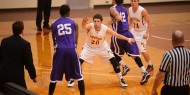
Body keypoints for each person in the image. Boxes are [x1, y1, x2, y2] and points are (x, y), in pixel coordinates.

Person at [68, 14, 134, 88]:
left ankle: (121, 79)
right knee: (79, 62)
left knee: (114, 61)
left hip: (102, 47)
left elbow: (116, 35)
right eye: (95, 21)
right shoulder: (90, 26)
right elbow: (83, 27)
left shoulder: (105, 28)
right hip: (89, 47)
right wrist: (83, 22)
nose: (96, 23)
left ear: (101, 22)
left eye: (98, 21)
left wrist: (127, 39)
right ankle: (73, 79)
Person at [109, 0, 150, 85]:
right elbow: (127, 22)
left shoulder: (113, 8)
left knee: (111, 52)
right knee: (134, 55)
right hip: (128, 33)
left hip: (118, 35)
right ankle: (144, 72)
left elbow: (118, 18)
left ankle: (124, 66)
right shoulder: (124, 8)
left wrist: (110, 22)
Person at [48, 4, 84, 95]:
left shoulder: (54, 24)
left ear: (59, 13)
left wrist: (57, 48)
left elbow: (54, 40)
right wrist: (73, 47)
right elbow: (76, 39)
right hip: (71, 49)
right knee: (79, 76)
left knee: (54, 76)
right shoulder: (73, 23)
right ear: (68, 12)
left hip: (59, 50)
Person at [0, 21, 37, 93]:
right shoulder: (25, 44)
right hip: (16, 77)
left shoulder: (4, 41)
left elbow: (1, 57)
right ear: (22, 30)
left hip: (3, 74)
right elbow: (28, 63)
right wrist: (33, 76)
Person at [151, 30, 190, 95]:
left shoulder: (168, 54)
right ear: (183, 40)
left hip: (170, 90)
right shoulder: (189, 53)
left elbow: (161, 74)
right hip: (185, 89)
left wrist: (154, 89)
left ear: (172, 41)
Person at [128, 0, 153, 72]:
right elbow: (130, 20)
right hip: (134, 31)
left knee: (142, 50)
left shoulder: (142, 10)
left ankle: (150, 65)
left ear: (138, 2)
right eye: (132, 1)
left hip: (142, 32)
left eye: (135, 1)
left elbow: (149, 21)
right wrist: (127, 28)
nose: (133, 2)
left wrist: (147, 33)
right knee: (127, 44)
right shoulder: (130, 9)